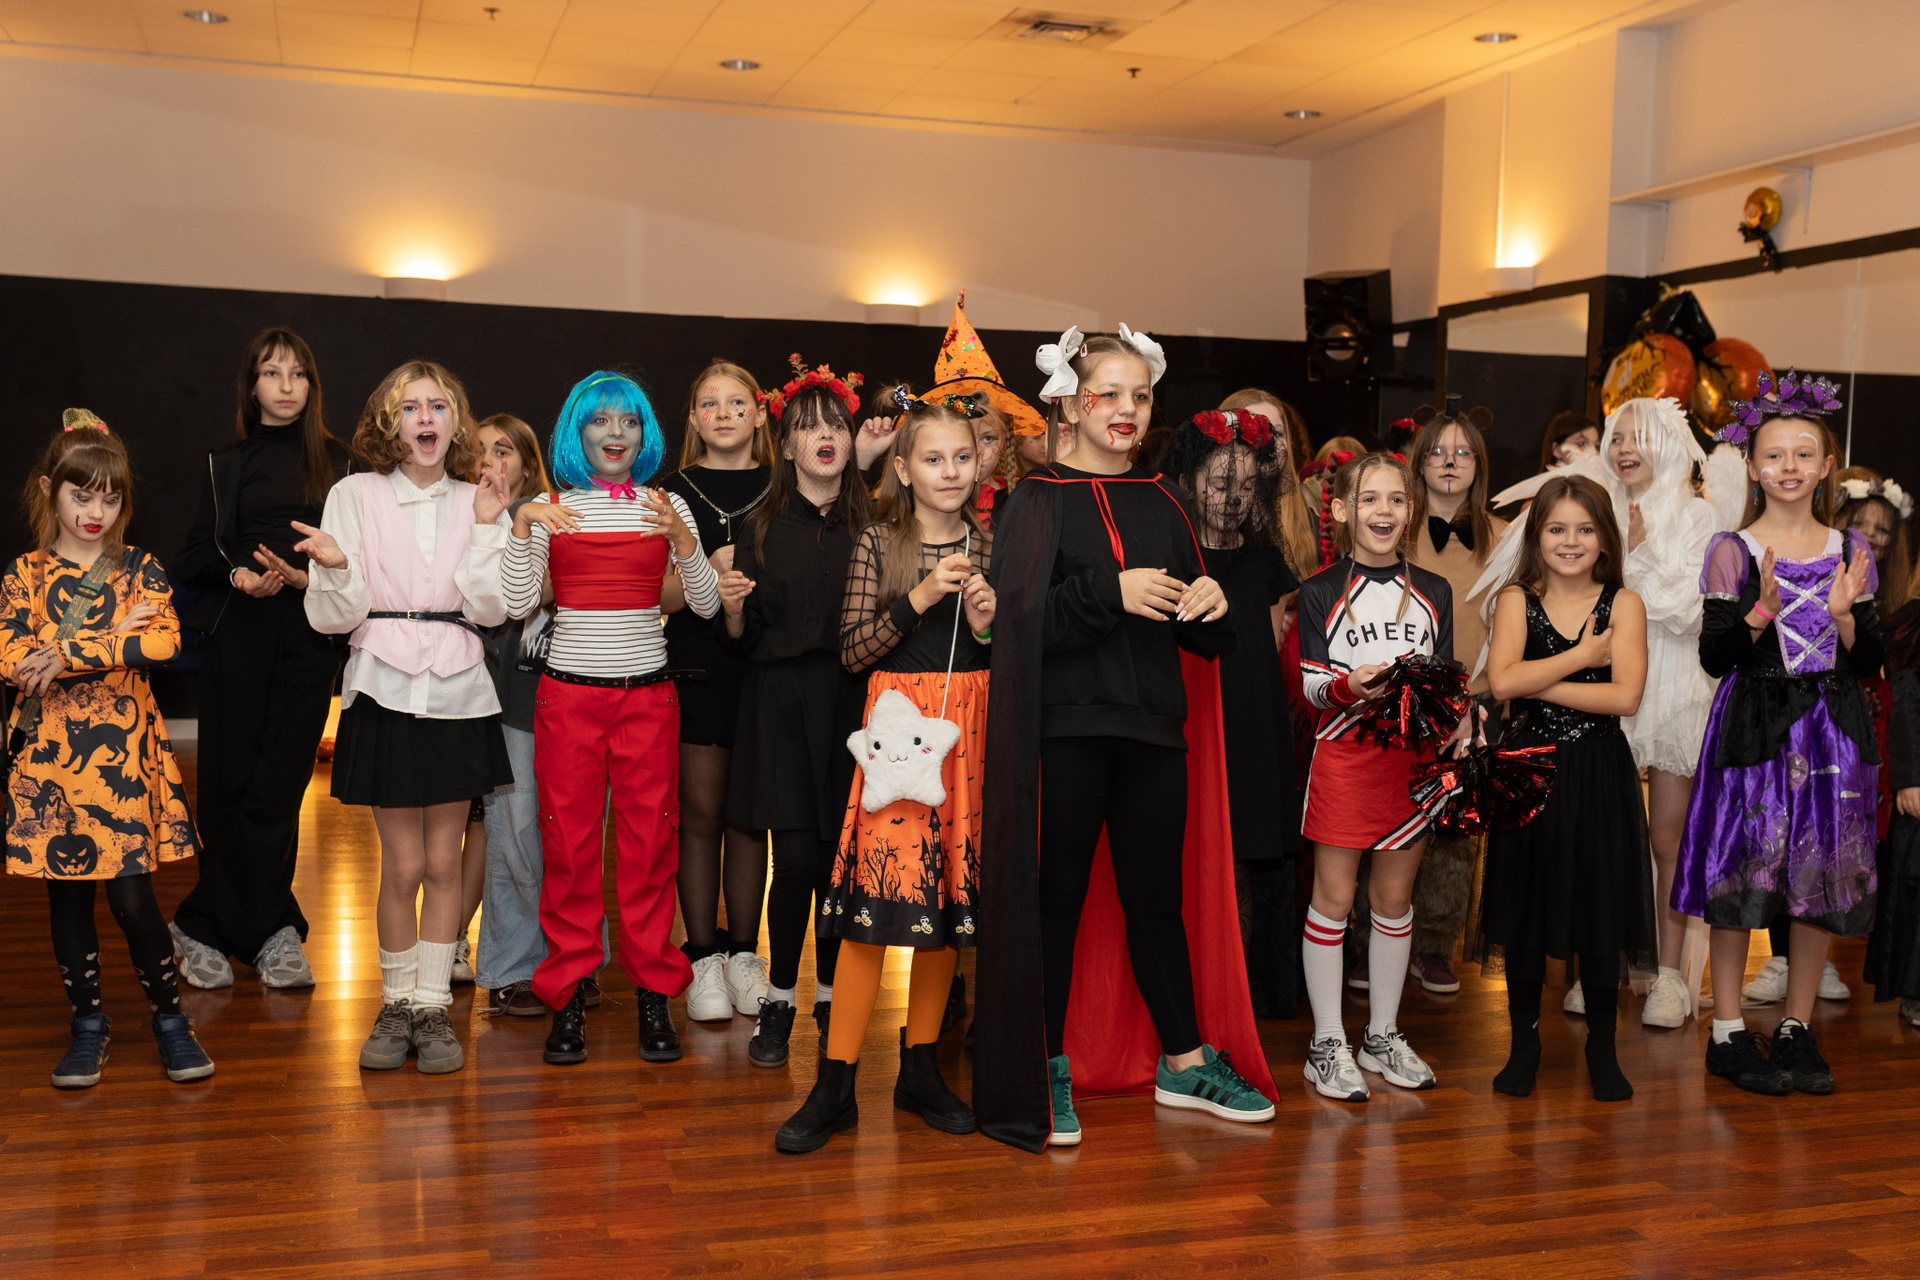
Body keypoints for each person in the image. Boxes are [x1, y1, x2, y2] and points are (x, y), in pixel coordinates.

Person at [974, 326, 1276, 1154]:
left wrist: (1213, 606)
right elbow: (1021, 625)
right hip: (1066, 731)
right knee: (1056, 903)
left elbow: (1192, 624)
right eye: (1108, 393)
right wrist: (1108, 593)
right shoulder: (1036, 498)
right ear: (1071, 404)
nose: (1126, 410)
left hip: (1153, 734)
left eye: (1140, 396)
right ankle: (1041, 1067)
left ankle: (1184, 1063)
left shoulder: (1165, 499)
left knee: (1155, 903)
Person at [776, 389, 996, 1153]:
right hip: (898, 737)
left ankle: (920, 1067)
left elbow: (1004, 652)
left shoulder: (990, 543)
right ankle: (835, 1081)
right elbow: (853, 650)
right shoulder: (879, 541)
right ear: (903, 468)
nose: (950, 471)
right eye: (933, 459)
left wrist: (989, 625)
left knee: (945, 907)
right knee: (875, 907)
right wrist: (921, 598)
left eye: (962, 457)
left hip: (967, 734)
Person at [298, 360, 515, 1076]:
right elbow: (336, 617)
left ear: (455, 423)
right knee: (405, 864)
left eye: (439, 406)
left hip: (458, 694)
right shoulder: (354, 495)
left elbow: (490, 610)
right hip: (383, 688)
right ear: (390, 423)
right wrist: (336, 566)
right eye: (410, 406)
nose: (426, 417)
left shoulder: (478, 499)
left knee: (445, 863)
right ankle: (395, 1004)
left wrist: (489, 529)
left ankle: (431, 1006)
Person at [500, 371, 720, 1067]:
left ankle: (655, 995)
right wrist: (522, 525)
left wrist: (684, 543)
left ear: (643, 433)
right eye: (600, 420)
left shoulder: (665, 506)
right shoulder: (550, 508)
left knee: (650, 851)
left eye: (628, 420)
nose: (615, 432)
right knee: (568, 852)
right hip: (567, 701)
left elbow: (707, 605)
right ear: (578, 432)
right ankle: (566, 997)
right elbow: (515, 604)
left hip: (646, 700)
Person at [1676, 373, 1880, 1096]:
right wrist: (1760, 612)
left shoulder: (1851, 546)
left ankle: (1796, 1027)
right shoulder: (1732, 548)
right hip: (1754, 729)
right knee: (1744, 871)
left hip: (1831, 732)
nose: (1789, 466)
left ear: (1826, 466)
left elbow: (1871, 660)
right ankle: (1728, 1030)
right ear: (1754, 467)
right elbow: (1714, 656)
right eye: (1774, 454)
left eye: (1804, 453)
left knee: (1819, 873)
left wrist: (1846, 616)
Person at [2, 411, 214, 1089]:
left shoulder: (140, 569)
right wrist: (110, 637)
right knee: (67, 905)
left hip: (123, 761)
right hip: (49, 765)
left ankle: (171, 1020)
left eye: (111, 498)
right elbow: (12, 660)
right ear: (49, 490)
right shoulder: (24, 575)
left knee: (132, 901)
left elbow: (162, 643)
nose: (96, 513)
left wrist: (64, 651)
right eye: (82, 495)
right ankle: (87, 1025)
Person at [169, 327, 351, 991]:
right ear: (252, 386)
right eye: (272, 373)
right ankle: (271, 928)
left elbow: (361, 558)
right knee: (229, 786)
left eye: (297, 373)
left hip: (309, 638)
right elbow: (193, 554)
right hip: (239, 635)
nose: (285, 386)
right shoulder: (226, 461)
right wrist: (239, 573)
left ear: (312, 386)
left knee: (279, 787)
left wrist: (309, 579)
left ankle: (204, 922)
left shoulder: (343, 464)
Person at [1297, 450, 1473, 1102]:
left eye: (1396, 499)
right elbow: (1312, 686)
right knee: (1334, 898)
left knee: (1395, 901)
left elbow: (1444, 678)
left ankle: (1382, 1034)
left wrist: (1461, 715)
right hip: (1345, 756)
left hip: (1411, 760)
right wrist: (1353, 684)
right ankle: (1326, 1043)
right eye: (1369, 499)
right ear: (1343, 510)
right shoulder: (1319, 590)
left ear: (1411, 510)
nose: (1383, 511)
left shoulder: (1434, 589)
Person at [718, 357, 871, 1068]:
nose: (825, 436)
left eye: (835, 423)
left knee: (842, 864)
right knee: (799, 861)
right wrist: (731, 609)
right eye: (808, 427)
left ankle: (834, 998)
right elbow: (742, 639)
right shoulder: (759, 527)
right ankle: (780, 998)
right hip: (781, 706)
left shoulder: (874, 526)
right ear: (785, 445)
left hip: (856, 708)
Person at [1481, 475, 1653, 1101]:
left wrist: (1535, 679)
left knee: (1600, 904)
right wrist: (1581, 658)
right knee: (1527, 906)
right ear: (1537, 536)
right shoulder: (1514, 600)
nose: (1571, 541)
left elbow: (1624, 697)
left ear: (1605, 538)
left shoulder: (1624, 605)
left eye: (1585, 529)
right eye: (1557, 529)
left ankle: (1602, 1048)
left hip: (1600, 769)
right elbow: (1502, 684)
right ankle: (1523, 1044)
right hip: (1530, 768)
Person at [1751, 470, 1916, 1004]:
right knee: (1790, 833)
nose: (1875, 536)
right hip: (1816, 713)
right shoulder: (1817, 566)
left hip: (1871, 722)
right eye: (1864, 524)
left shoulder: (1898, 598)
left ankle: (1819, 954)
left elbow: (1875, 659)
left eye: (1884, 529)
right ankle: (1782, 956)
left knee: (1843, 840)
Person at [1593, 398, 1724, 1027]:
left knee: (1667, 835)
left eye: (1638, 437)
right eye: (1616, 438)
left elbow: (1690, 609)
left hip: (1673, 687)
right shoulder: (1598, 509)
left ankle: (1669, 974)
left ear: (1668, 444)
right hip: (1607, 680)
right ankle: (1610, 963)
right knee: (1607, 831)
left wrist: (1638, 555)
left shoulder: (1700, 516)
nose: (1625, 449)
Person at [1166, 407, 1301, 1018]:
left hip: (1252, 720)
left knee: (1249, 853)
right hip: (1194, 716)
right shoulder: (1175, 550)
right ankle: (1189, 988)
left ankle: (1240, 991)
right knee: (1190, 853)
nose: (1233, 498)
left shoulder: (1264, 557)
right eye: (1220, 483)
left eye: (1247, 485)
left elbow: (1268, 643)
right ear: (1189, 481)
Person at [658, 360, 775, 1025]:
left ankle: (743, 957)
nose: (725, 413)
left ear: (759, 414)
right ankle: (701, 957)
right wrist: (707, 568)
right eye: (710, 403)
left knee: (749, 814)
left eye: (737, 402)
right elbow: (659, 597)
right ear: (694, 419)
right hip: (696, 661)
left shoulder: (785, 484)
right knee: (700, 813)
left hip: (764, 663)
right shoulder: (669, 493)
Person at [464, 413, 589, 1016]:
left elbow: (544, 591)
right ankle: (515, 967)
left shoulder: (559, 515)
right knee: (513, 837)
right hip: (508, 703)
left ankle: (576, 960)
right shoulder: (470, 521)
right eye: (479, 451)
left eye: (504, 450)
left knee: (573, 839)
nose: (491, 461)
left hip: (575, 701)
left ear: (529, 462)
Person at [1393, 399, 1507, 997]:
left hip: (1477, 700)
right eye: (1437, 451)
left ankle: (1435, 946)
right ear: (1419, 462)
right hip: (1399, 697)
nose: (1449, 462)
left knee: (1456, 832)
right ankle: (1368, 940)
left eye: (1463, 453)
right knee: (1389, 820)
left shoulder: (1505, 537)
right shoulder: (1392, 523)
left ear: (1478, 466)